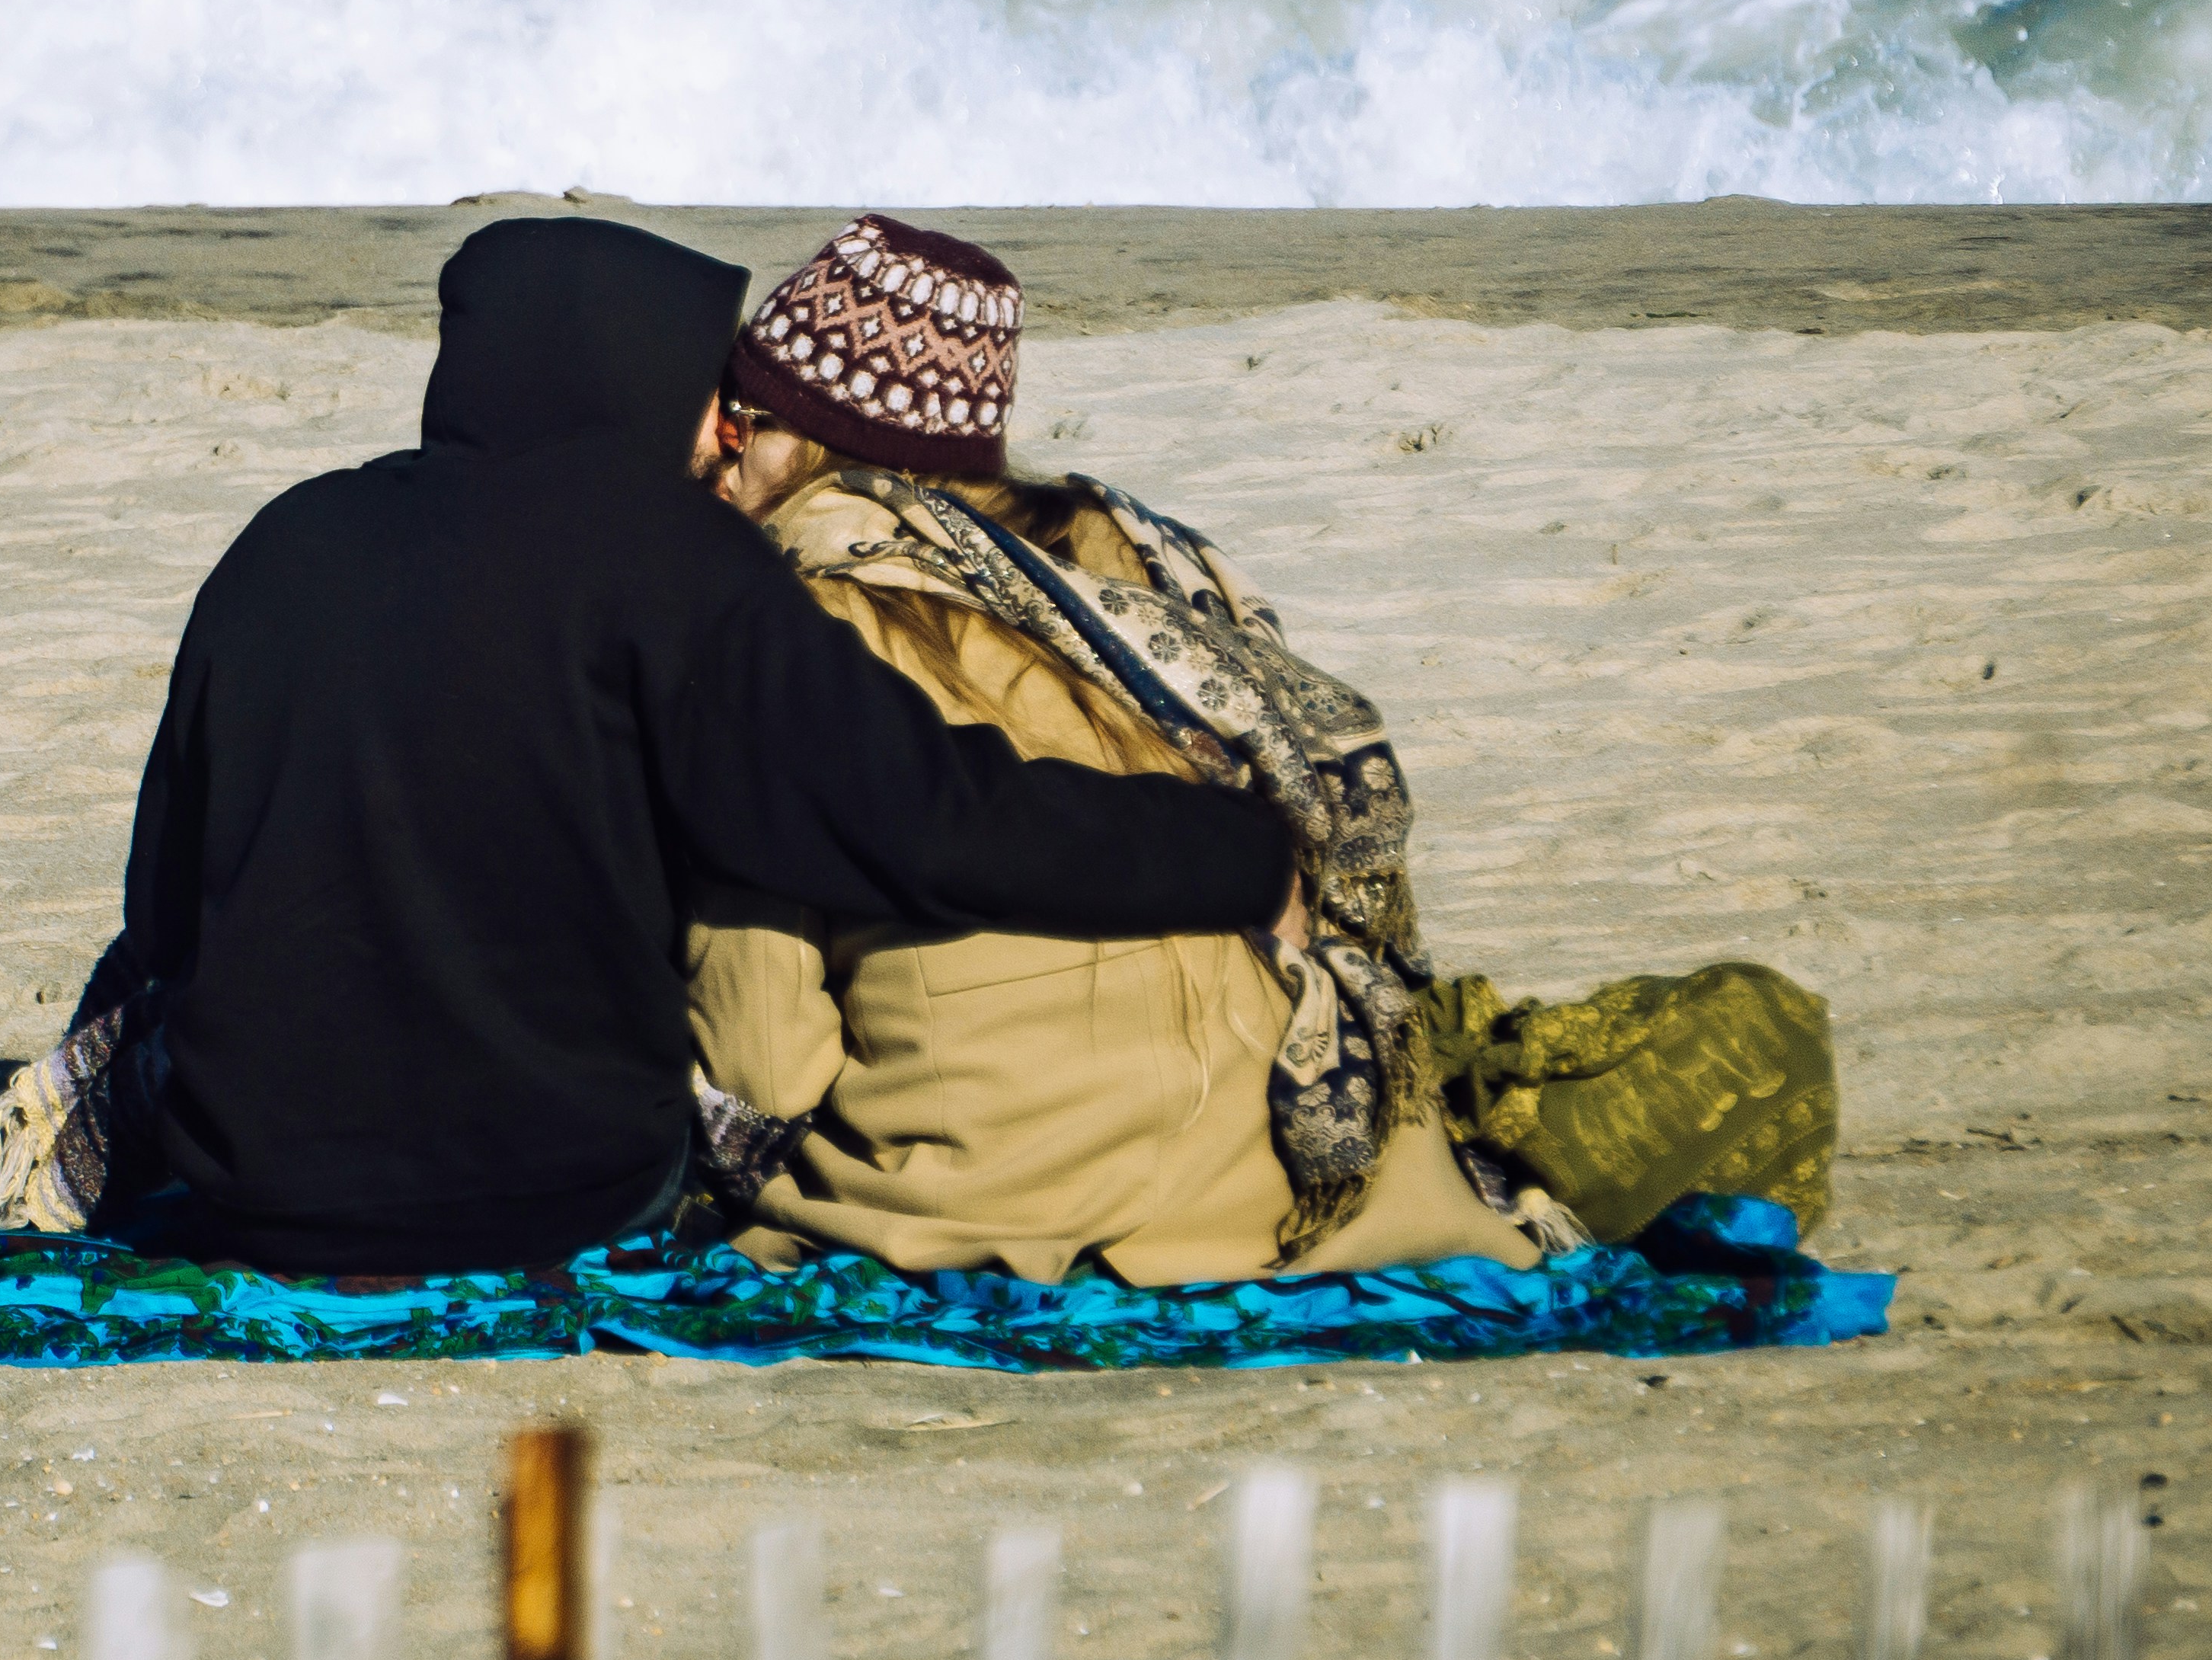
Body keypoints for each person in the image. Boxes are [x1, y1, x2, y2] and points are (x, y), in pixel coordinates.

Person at [0, 215, 1306, 1275]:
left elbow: (164, 908)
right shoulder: (679, 568)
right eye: (705, 389)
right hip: (560, 1192)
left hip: (254, 1186)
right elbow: (930, 823)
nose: (725, 428)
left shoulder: (281, 543)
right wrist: (1236, 851)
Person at [685, 215, 1836, 1284]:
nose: (721, 452)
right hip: (1262, 1165)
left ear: (818, 442)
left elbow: (766, 1053)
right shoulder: (1142, 566)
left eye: (747, 417)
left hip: (975, 1193)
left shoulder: (791, 624)